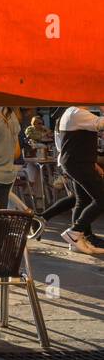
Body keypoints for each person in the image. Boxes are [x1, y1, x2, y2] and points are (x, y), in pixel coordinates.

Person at [42, 106, 104, 256]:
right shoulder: (77, 112)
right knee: (101, 198)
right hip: (78, 163)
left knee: (81, 199)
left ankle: (78, 240)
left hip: (77, 162)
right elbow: (100, 124)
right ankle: (75, 232)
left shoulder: (73, 112)